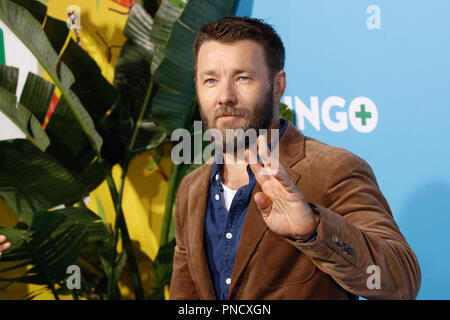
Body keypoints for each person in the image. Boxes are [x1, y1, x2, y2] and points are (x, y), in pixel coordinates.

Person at [168, 16, 420, 300]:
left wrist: (314, 229)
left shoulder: (334, 170)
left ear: (278, 86)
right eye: (211, 80)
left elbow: (400, 282)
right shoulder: (191, 189)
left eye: (242, 78)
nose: (224, 96)